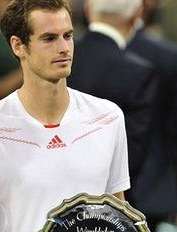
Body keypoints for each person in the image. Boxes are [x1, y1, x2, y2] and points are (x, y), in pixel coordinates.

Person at [0, 0, 130, 232]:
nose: (64, 48)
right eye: (49, 39)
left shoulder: (108, 117)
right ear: (18, 46)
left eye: (68, 36)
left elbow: (118, 213)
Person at [126, 1, 177, 231]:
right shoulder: (166, 56)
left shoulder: (77, 53)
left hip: (86, 198)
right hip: (151, 191)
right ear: (140, 9)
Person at [67, 0, 158, 180]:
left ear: (88, 9)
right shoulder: (138, 71)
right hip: (111, 195)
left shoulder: (57, 60)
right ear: (137, 14)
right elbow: (131, 154)